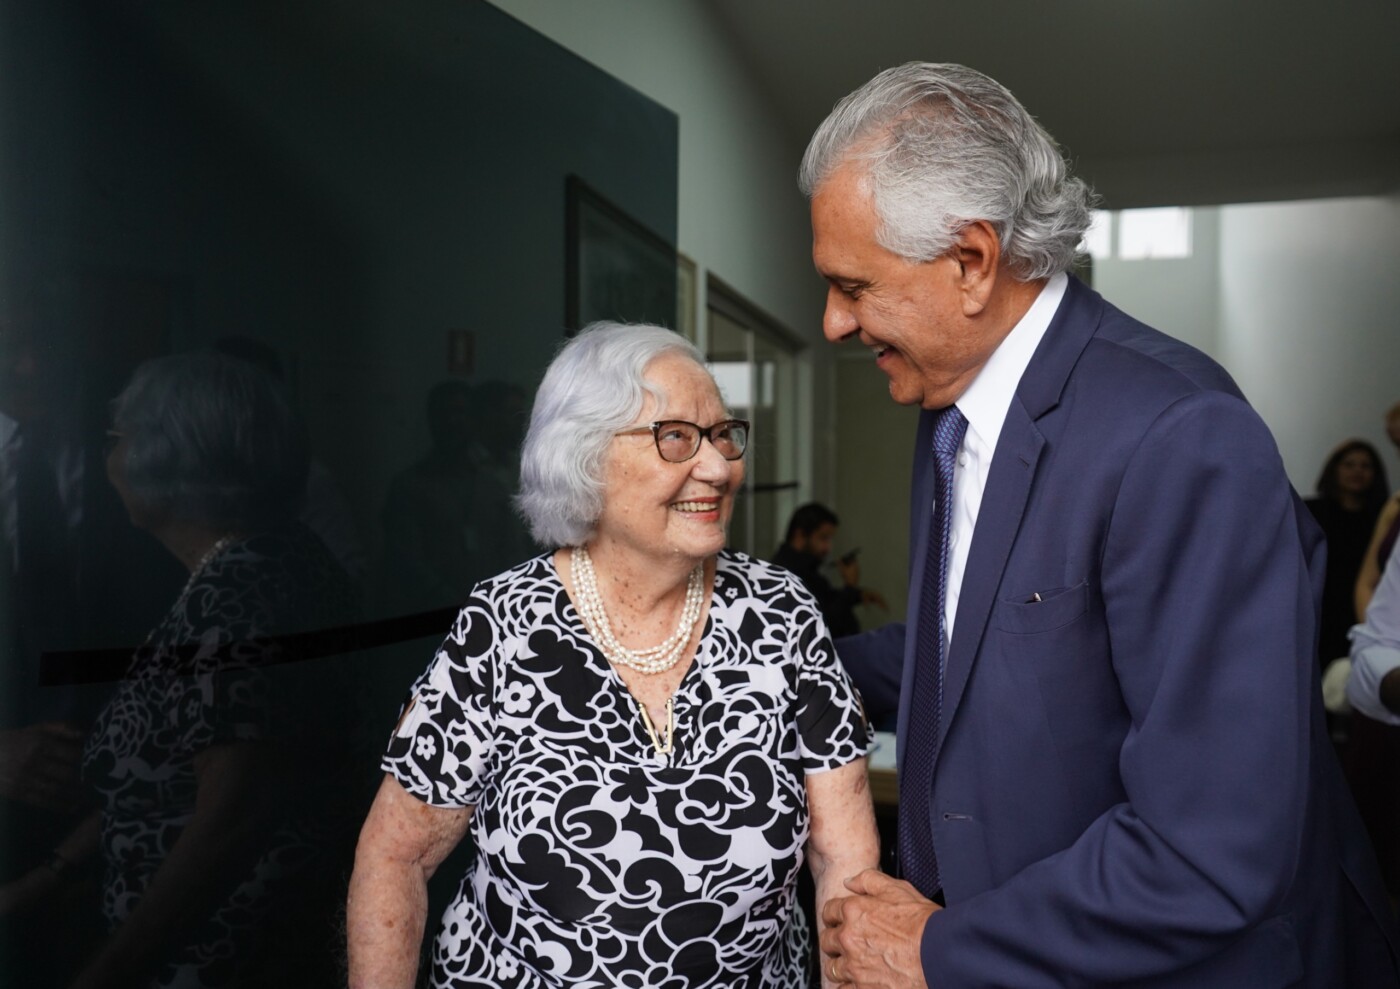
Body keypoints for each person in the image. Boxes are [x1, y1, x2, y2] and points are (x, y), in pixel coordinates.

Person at [802, 62, 1400, 987]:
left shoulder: (1181, 434)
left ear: (972, 262)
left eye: (854, 286)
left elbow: (1209, 846)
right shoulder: (950, 406)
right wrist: (762, 659)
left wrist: (939, 948)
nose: (834, 323)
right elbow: (967, 647)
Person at [347, 323, 878, 989]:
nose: (719, 467)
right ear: (586, 457)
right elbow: (396, 857)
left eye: (722, 434)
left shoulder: (782, 612)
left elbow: (844, 863)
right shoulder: (503, 625)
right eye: (676, 436)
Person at [1, 353, 363, 988]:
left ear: (166, 458)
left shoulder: (236, 599)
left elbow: (230, 823)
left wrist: (103, 977)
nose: (107, 458)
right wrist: (47, 879)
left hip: (219, 961)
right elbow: (172, 776)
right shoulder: (266, 560)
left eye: (117, 438)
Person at [1305, 439, 1389, 669]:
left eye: (1365, 466)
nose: (1357, 471)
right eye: (1349, 464)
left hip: (1367, 611)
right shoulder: (1311, 512)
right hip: (1320, 608)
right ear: (1334, 469)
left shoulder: (1382, 518)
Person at [772, 502, 886, 638]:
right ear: (800, 535)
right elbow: (822, 623)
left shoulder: (805, 568)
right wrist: (850, 587)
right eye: (823, 538)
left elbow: (825, 599)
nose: (828, 547)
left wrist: (857, 595)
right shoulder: (788, 573)